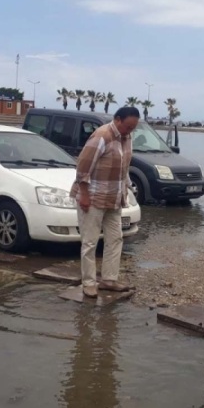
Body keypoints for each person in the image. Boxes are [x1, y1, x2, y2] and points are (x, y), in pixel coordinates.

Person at [71, 106, 140, 298]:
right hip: (93, 197)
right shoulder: (101, 136)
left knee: (115, 238)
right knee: (90, 242)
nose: (129, 131)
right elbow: (82, 167)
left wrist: (128, 188)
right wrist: (84, 194)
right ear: (117, 119)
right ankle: (89, 282)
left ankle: (109, 279)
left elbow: (124, 168)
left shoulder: (127, 138)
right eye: (127, 126)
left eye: (133, 128)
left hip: (114, 198)